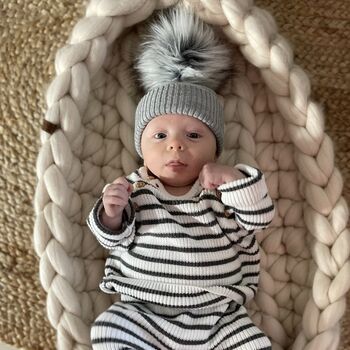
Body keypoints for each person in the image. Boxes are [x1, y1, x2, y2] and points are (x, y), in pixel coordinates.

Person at [87, 7, 275, 350]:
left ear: (215, 149)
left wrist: (235, 181)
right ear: (141, 149)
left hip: (218, 315)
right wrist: (111, 214)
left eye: (193, 135)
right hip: (144, 312)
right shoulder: (135, 190)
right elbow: (112, 240)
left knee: (253, 343)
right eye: (159, 137)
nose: (175, 144)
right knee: (108, 329)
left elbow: (258, 218)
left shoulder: (221, 189)